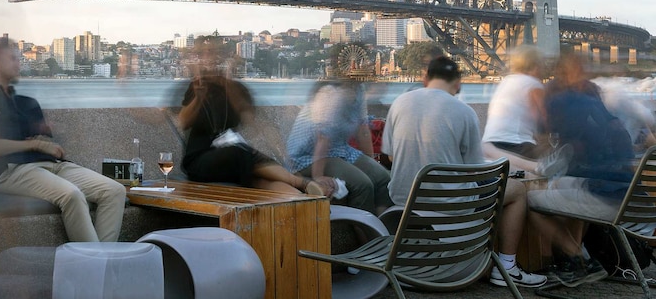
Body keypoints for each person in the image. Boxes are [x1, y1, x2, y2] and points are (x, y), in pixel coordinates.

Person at [382, 56, 547, 288]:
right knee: (517, 191)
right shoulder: (464, 111)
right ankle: (507, 267)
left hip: (403, 201)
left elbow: (390, 156)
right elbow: (472, 170)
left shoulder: (399, 103)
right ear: (458, 83)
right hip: (451, 206)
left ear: (425, 78)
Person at [0, 36, 126, 242]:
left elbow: (42, 138)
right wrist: (36, 143)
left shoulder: (24, 102)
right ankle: (96, 265)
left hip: (51, 165)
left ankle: (97, 266)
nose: (18, 62)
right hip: (12, 170)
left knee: (114, 191)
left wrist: (44, 135)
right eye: (12, 58)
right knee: (72, 196)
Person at [527, 52, 633, 285]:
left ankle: (577, 256)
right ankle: (576, 261)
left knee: (531, 201)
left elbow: (546, 140)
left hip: (605, 195)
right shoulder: (595, 100)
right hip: (628, 197)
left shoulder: (562, 100)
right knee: (568, 185)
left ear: (560, 73)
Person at [180, 72, 329, 195]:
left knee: (256, 178)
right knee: (241, 153)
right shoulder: (199, 85)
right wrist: (198, 98)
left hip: (230, 160)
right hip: (199, 160)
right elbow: (184, 122)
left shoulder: (236, 89)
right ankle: (299, 182)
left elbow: (248, 118)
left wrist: (230, 88)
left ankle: (302, 199)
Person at [287, 79, 392, 213]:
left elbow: (363, 129)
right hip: (309, 155)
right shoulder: (330, 93)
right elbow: (322, 137)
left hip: (340, 150)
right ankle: (369, 232)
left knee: (383, 179)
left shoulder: (359, 89)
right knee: (362, 184)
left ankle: (383, 226)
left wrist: (370, 162)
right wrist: (318, 176)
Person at [482, 45, 551, 173]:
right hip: (517, 145)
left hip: (491, 144)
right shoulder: (533, 84)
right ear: (534, 66)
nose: (544, 68)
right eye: (542, 64)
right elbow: (543, 119)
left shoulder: (507, 81)